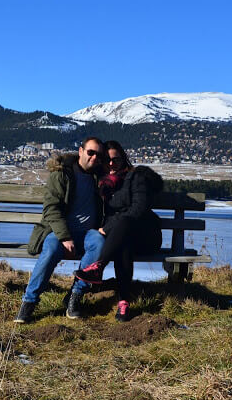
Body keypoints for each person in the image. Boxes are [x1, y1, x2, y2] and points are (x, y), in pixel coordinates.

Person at [14, 137, 105, 323]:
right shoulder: (62, 174)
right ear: (81, 151)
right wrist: (65, 237)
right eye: (90, 152)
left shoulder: (100, 178)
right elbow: (51, 209)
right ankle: (28, 303)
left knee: (99, 242)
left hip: (88, 234)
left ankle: (74, 297)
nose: (94, 157)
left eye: (98, 154)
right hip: (59, 232)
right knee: (50, 251)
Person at [74, 140, 163, 322]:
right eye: (107, 160)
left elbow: (138, 209)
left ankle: (98, 267)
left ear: (124, 160)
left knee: (125, 223)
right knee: (124, 244)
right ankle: (123, 302)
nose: (112, 164)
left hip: (146, 236)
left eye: (116, 160)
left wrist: (107, 228)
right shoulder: (101, 184)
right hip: (122, 240)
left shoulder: (136, 178)